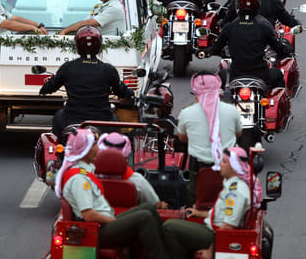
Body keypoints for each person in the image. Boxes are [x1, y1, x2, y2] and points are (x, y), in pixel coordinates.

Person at [55, 129, 171, 259]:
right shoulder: (79, 179)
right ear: (84, 150)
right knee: (144, 217)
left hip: (101, 223)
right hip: (96, 230)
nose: (97, 148)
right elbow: (88, 215)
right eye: (93, 145)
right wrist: (112, 220)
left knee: (149, 208)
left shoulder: (83, 171)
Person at [162, 147, 261, 259]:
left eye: (224, 161)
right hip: (213, 229)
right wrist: (199, 214)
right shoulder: (232, 186)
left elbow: (228, 226)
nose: (220, 164)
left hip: (214, 234)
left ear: (234, 167)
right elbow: (221, 214)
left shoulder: (236, 192)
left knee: (169, 226)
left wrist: (211, 248)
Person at [39, 26, 133, 136]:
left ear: (77, 45)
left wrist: (45, 89)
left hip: (72, 118)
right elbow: (121, 91)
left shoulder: (68, 67)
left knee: (58, 117)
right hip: (102, 119)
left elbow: (50, 87)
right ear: (99, 45)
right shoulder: (108, 69)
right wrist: (130, 93)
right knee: (116, 128)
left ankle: (60, 151)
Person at [203, 0, 293, 91]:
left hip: (235, 75)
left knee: (220, 76)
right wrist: (288, 50)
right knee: (277, 74)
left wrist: (206, 51)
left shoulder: (229, 27)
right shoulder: (264, 27)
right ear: (257, 6)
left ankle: (222, 106)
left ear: (238, 6)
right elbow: (279, 48)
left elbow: (215, 48)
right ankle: (270, 106)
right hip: (260, 75)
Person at [176, 72, 243, 203]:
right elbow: (238, 134)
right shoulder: (231, 110)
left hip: (198, 170)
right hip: (229, 169)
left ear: (195, 92)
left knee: (196, 200)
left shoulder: (186, 113)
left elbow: (182, 138)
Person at [96, 133, 167, 207]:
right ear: (126, 158)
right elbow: (155, 205)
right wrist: (161, 205)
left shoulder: (87, 178)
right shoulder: (138, 181)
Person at [60, 0, 126, 35]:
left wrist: (65, 31)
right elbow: (85, 21)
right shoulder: (100, 6)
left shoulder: (114, 7)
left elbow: (90, 23)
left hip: (112, 47)